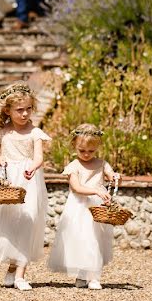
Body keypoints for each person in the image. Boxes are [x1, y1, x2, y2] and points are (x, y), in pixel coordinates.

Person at [0, 82, 51, 291]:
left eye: (28, 109)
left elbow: (39, 158)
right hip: (6, 180)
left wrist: (32, 168)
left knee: (27, 221)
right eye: (19, 110)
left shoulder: (35, 133)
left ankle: (21, 275)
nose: (25, 114)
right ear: (8, 110)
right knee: (9, 224)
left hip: (28, 180)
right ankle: (11, 267)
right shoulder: (2, 133)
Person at [47, 124, 118, 290]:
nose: (86, 154)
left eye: (91, 151)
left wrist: (115, 177)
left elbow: (111, 176)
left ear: (97, 147)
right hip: (79, 207)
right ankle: (82, 274)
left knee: (96, 240)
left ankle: (94, 275)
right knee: (81, 240)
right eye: (82, 150)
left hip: (97, 208)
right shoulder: (74, 166)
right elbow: (77, 188)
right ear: (74, 146)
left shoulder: (102, 164)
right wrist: (95, 190)